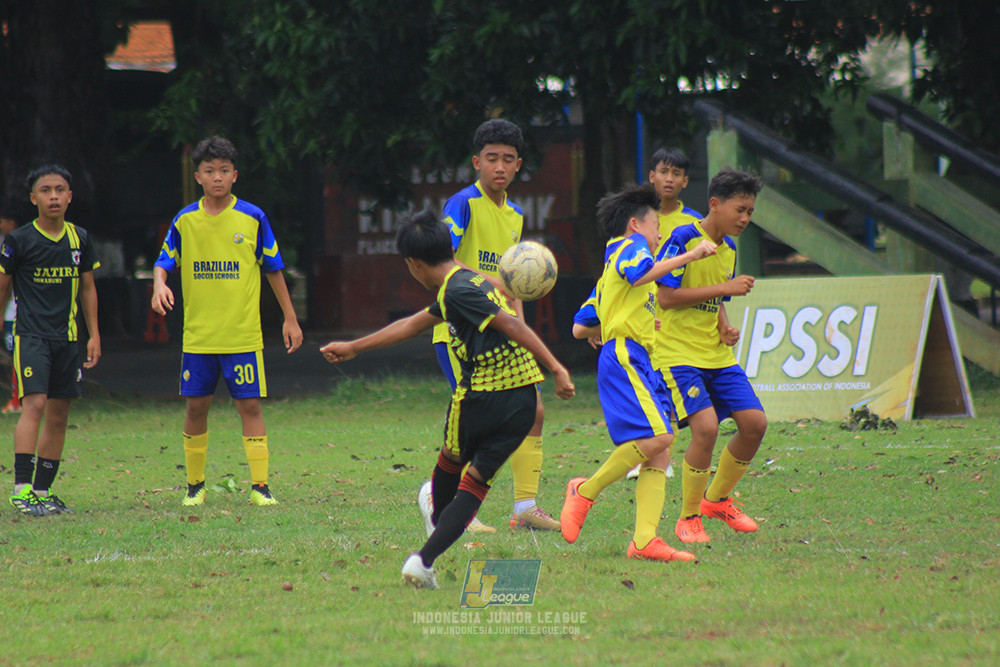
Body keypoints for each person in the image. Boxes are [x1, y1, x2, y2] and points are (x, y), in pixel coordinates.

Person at [321, 210, 575, 589]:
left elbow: (511, 324)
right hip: (521, 400)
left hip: (480, 400)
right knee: (473, 485)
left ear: (414, 264)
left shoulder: (458, 291)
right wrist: (355, 347)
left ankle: (432, 524)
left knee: (453, 467)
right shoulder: (467, 283)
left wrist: (557, 367)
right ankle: (424, 559)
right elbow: (413, 324)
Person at [560, 183, 715, 562]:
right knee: (660, 437)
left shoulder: (609, 269)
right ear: (635, 224)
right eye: (655, 225)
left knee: (661, 451)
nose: (659, 233)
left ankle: (644, 541)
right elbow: (642, 275)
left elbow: (580, 327)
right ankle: (585, 490)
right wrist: (691, 254)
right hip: (626, 356)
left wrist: (613, 323)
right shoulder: (631, 248)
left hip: (641, 358)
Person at [151, 136, 303, 507]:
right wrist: (159, 285)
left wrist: (290, 317)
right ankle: (195, 486)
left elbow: (273, 268)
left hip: (242, 335)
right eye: (209, 171)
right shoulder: (185, 220)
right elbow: (163, 262)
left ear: (235, 175)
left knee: (250, 407)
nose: (216, 177)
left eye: (223, 170)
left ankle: (260, 487)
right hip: (199, 337)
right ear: (198, 177)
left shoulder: (252, 217)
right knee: (195, 408)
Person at [431, 118, 557, 532]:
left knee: (532, 410)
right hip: (460, 331)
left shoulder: (515, 215)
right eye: (491, 159)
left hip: (501, 330)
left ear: (518, 165)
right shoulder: (462, 204)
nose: (499, 167)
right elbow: (443, 259)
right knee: (473, 424)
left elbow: (514, 281)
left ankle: (526, 507)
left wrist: (522, 328)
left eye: (507, 159)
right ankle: (444, 502)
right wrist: (489, 281)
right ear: (476, 162)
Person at [655, 167, 767, 544]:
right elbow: (665, 297)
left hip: (716, 355)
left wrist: (723, 325)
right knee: (706, 429)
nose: (745, 219)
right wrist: (724, 288)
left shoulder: (729, 249)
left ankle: (716, 501)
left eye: (750, 212)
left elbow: (713, 297)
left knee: (755, 424)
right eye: (740, 210)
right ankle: (688, 517)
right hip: (678, 353)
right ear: (715, 204)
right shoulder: (683, 237)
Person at [0, 165, 101, 516]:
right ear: (34, 198)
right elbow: (3, 287)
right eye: (46, 191)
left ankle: (43, 491)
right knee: (35, 404)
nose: (53, 196)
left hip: (68, 339)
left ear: (70, 196)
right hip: (32, 336)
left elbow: (88, 288)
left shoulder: (80, 239)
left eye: (60, 190)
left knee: (59, 414)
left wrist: (94, 335)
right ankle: (22, 490)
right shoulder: (19, 240)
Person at [648, 148, 702, 239]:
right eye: (663, 172)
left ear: (685, 181)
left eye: (676, 174)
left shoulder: (695, 221)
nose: (669, 179)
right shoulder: (639, 216)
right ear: (652, 177)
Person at [0, 210, 22, 414]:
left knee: (18, 356)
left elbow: (5, 286)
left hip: (15, 313)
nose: (1, 225)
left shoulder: (14, 246)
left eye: (3, 221)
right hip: (14, 313)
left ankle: (18, 400)